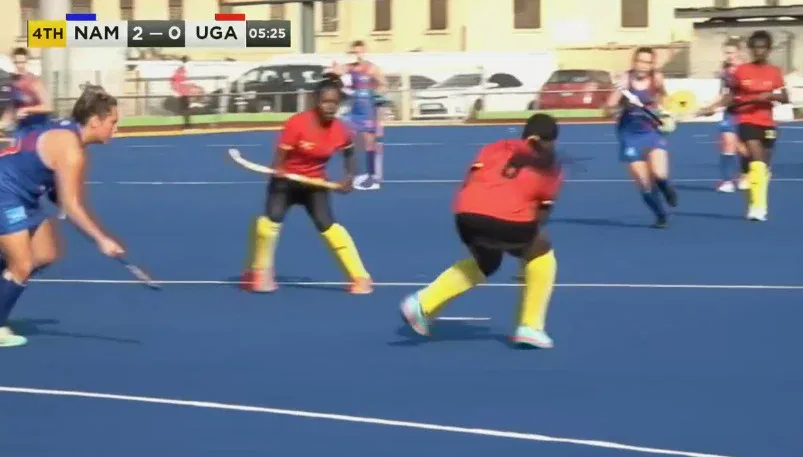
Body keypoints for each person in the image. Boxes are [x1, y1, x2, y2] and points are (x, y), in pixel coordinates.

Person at [399, 113, 563, 349]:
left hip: (466, 214)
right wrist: (526, 260)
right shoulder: (550, 164)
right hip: (506, 219)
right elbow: (541, 217)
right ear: (549, 142)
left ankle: (421, 304)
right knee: (541, 248)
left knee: (487, 262)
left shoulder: (494, 147)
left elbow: (473, 179)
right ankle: (531, 326)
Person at [0, 86, 125, 348]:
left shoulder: (64, 128)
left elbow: (55, 186)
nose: (116, 129)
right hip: (1, 191)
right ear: (95, 121)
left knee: (44, 254)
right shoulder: (71, 150)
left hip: (23, 193)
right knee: (21, 265)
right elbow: (71, 205)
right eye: (113, 122)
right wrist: (101, 239)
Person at [241, 75, 372, 294]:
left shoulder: (340, 129)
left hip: (315, 184)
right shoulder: (297, 123)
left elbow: (349, 154)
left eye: (334, 102)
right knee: (269, 222)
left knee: (328, 225)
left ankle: (360, 277)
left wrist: (349, 177)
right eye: (325, 101)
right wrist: (279, 170)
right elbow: (280, 156)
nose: (330, 107)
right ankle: (259, 272)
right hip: (285, 183)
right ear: (315, 100)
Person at [604, 47, 678, 228]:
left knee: (659, 174)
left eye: (647, 62)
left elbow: (664, 100)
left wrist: (666, 115)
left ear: (652, 65)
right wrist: (622, 106)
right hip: (629, 136)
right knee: (645, 184)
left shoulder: (656, 79)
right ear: (634, 62)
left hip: (651, 132)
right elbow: (607, 110)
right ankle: (660, 216)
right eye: (640, 61)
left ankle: (666, 188)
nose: (643, 66)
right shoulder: (624, 81)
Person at [724, 30, 788, 222]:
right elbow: (731, 95)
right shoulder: (741, 71)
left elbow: (785, 97)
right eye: (756, 48)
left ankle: (754, 200)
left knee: (763, 168)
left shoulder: (774, 72)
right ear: (751, 49)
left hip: (767, 122)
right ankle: (758, 207)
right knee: (757, 160)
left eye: (763, 48)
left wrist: (770, 96)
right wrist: (713, 107)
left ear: (768, 50)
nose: (759, 51)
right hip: (747, 120)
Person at [334, 41, 387, 191]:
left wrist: (376, 94)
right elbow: (338, 74)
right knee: (348, 141)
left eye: (359, 51)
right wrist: (337, 74)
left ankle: (373, 176)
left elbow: (383, 85)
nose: (357, 55)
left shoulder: (372, 68)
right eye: (354, 52)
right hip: (354, 110)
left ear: (364, 52)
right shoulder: (350, 68)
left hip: (368, 109)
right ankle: (354, 174)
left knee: (370, 143)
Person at [698, 37, 748, 193]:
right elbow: (723, 93)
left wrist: (716, 106)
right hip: (730, 113)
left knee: (744, 149)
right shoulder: (724, 70)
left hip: (746, 112)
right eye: (726, 53)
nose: (729, 56)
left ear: (739, 52)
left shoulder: (747, 69)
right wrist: (708, 107)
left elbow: (739, 95)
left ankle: (745, 176)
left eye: (731, 52)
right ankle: (727, 181)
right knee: (727, 142)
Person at [1, 48, 53, 134]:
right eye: (16, 62)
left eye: (22, 62)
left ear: (27, 62)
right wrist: (4, 123)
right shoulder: (13, 82)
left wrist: (26, 110)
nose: (19, 66)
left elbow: (48, 107)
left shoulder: (34, 81)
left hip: (38, 126)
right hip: (22, 127)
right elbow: (11, 107)